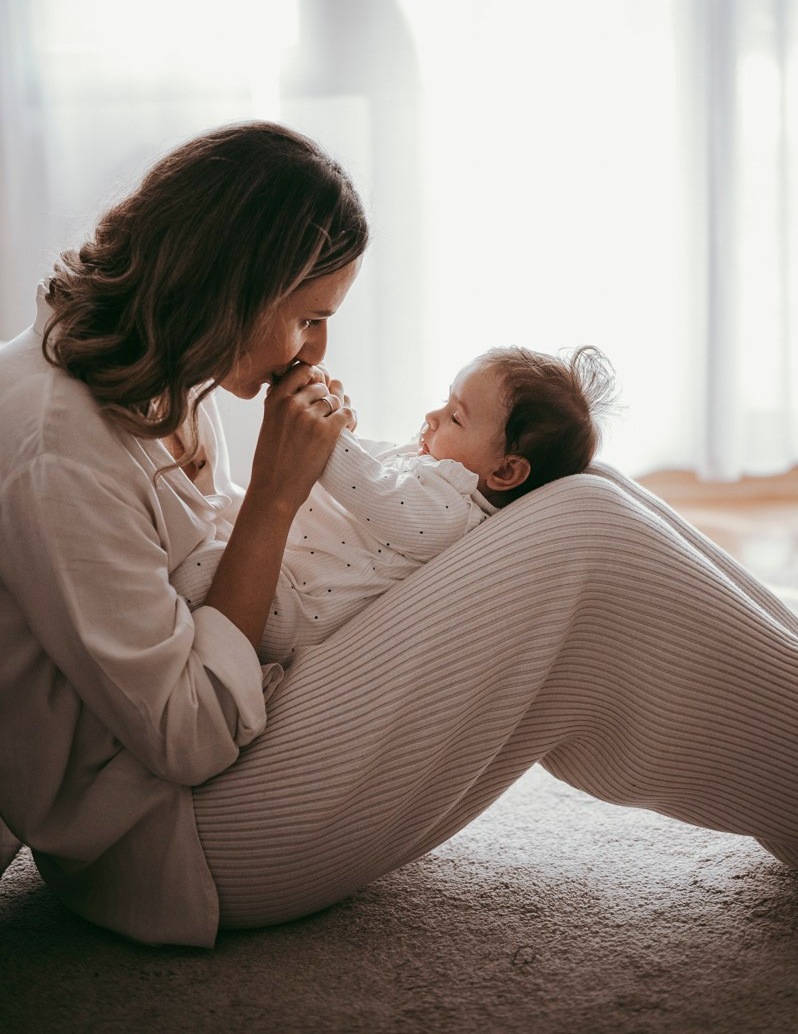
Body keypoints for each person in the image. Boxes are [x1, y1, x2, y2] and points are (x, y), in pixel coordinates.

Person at [1, 121, 797, 951]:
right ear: (233, 286)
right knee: (584, 533)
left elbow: (198, 560)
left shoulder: (151, 365)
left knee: (577, 487)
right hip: (180, 836)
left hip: (244, 730)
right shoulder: (55, 443)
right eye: (308, 317)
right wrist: (276, 497)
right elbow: (187, 732)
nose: (316, 348)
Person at [170, 345, 617, 663]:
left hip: (291, 608)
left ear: (504, 472)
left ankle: (157, 627)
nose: (433, 416)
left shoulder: (451, 512)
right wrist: (338, 416)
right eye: (445, 401)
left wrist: (327, 433)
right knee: (219, 512)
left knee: (197, 567)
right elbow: (371, 463)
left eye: (456, 417)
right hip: (283, 565)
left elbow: (370, 487)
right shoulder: (432, 468)